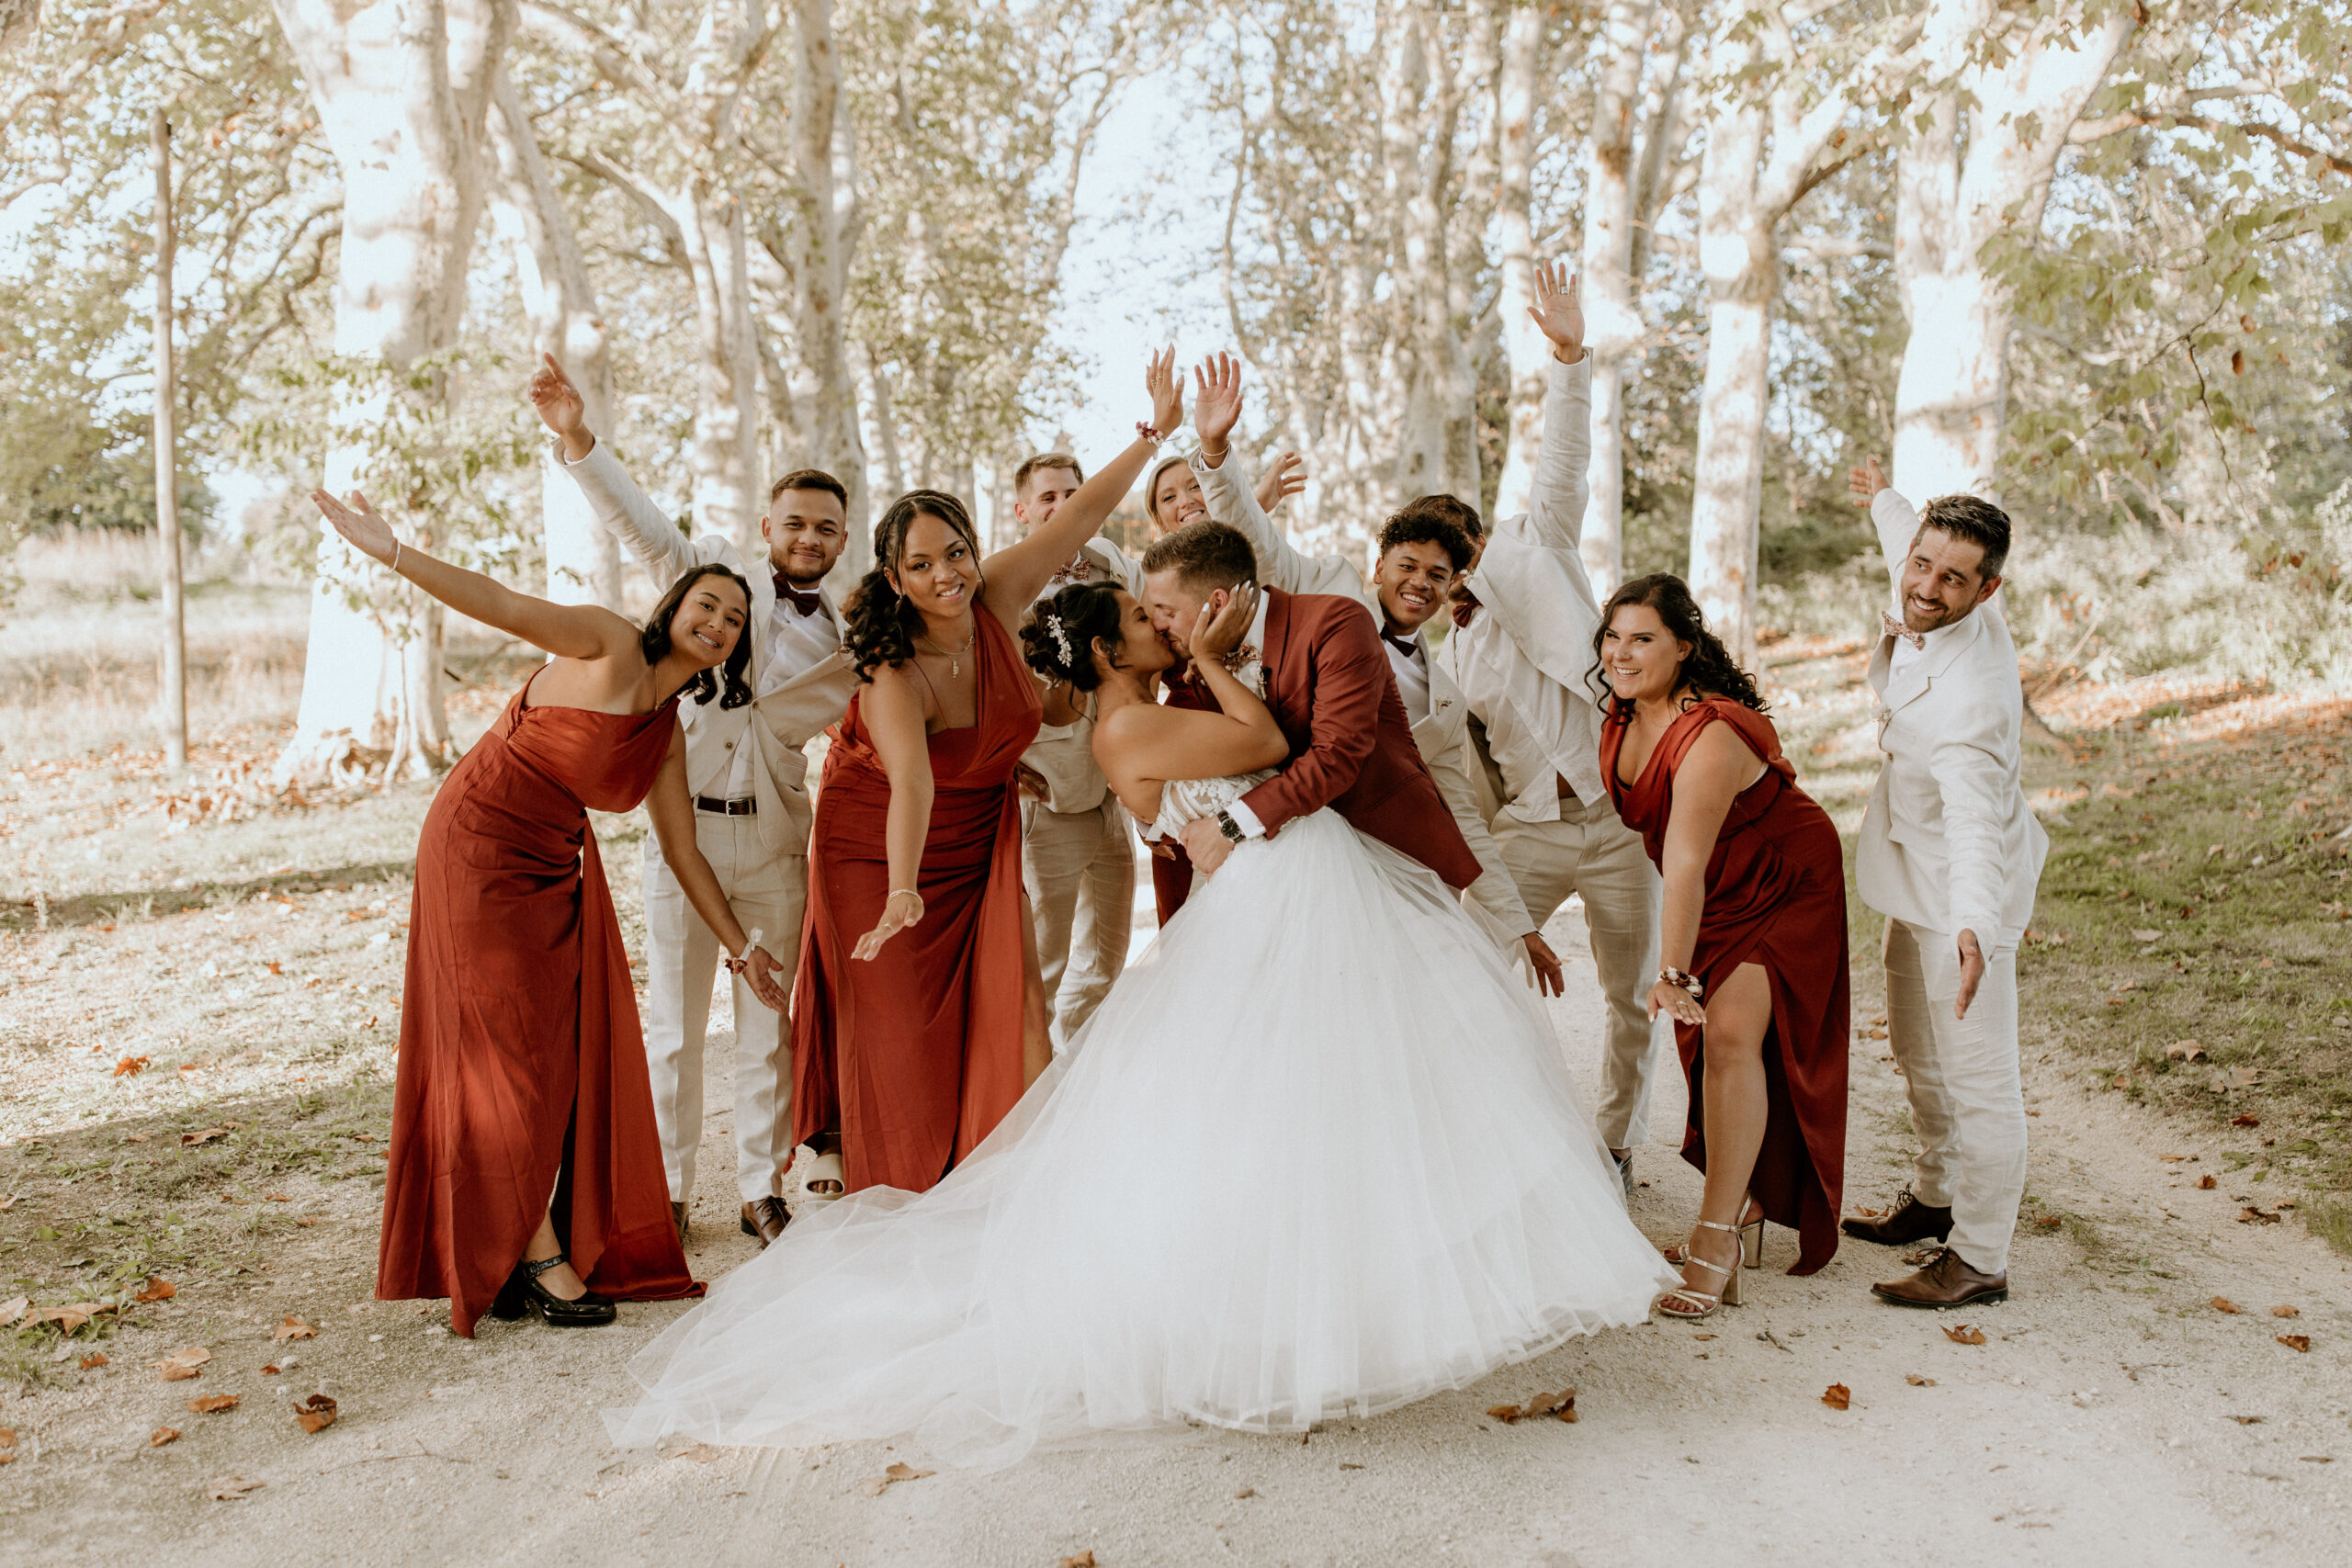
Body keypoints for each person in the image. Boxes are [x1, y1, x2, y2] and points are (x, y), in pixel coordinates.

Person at [605, 575, 1678, 1469]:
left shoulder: (1128, 710)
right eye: (1141, 620)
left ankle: (1347, 1300)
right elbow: (1259, 735)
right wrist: (1213, 660)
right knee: (1307, 1097)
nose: (1158, 626)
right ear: (1111, 650)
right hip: (1283, 896)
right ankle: (1306, 1318)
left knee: (1309, 1100)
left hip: (1284, 884)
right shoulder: (1131, 717)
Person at [311, 491, 772, 1336]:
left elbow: (683, 852)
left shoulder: (667, 731)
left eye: (735, 618)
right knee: (509, 1059)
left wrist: (743, 950)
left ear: (735, 646)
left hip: (553, 867)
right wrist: (395, 552)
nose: (718, 620)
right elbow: (506, 604)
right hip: (479, 844)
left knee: (551, 1060)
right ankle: (537, 1255)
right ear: (674, 607)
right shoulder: (604, 639)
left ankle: (530, 1242)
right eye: (707, 602)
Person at [790, 352, 1188, 1194]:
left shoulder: (997, 597)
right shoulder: (893, 671)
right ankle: (897, 1181)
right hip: (880, 853)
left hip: (978, 842)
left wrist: (1151, 434)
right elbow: (913, 784)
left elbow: (1079, 516)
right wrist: (903, 890)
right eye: (924, 565)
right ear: (894, 579)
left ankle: (1008, 1178)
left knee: (1009, 1009)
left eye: (957, 552)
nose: (948, 575)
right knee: (899, 1026)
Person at [528, 353, 856, 1248]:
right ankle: (669, 1190)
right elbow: (645, 532)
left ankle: (761, 1186)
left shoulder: (850, 636)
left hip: (778, 851)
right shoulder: (720, 592)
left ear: (840, 539)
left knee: (768, 1026)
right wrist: (579, 442)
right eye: (794, 523)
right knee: (673, 1030)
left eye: (825, 529)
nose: (808, 539)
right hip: (684, 842)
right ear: (767, 525)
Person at [1185, 352, 1565, 992]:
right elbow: (1256, 540)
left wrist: (1518, 924)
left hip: (1380, 863)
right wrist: (1217, 451)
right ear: (1379, 563)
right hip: (1281, 835)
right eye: (1408, 565)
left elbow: (1462, 816)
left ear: (1452, 589)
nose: (1419, 583)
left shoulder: (1445, 696)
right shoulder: (1327, 585)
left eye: (1438, 576)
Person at [1421, 260, 1666, 1193]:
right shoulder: (1450, 660)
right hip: (1528, 830)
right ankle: (1493, 1129)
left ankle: (1614, 1143)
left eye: (1458, 560)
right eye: (1434, 572)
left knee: (1628, 993)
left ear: (1480, 546)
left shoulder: (1538, 549)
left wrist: (1567, 357)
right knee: (1473, 966)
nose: (1450, 581)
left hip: (1615, 821)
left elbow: (1561, 464)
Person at [1596, 573, 1850, 1315]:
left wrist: (1672, 971)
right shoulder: (1618, 715)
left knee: (1733, 1035)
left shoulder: (1707, 733)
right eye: (1613, 636)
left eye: (1643, 637)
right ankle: (1741, 1207)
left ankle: (1717, 1238)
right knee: (1718, 1047)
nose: (1622, 651)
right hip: (1721, 888)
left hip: (1786, 877)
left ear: (1684, 646)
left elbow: (1684, 859)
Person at [1839, 460, 2048, 1310]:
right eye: (1921, 563)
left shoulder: (1973, 705)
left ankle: (1980, 1258)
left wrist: (1975, 930)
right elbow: (1906, 533)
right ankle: (1935, 1193)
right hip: (1909, 872)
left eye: (1953, 578)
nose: (1926, 586)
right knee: (1917, 1048)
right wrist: (1885, 497)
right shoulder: (1922, 560)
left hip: (1968, 891)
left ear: (1988, 590)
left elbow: (1970, 826)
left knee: (1981, 1076)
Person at [1138, 519, 1484, 922]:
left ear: (1216, 603)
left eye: (1165, 611)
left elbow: (1336, 757)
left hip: (1384, 858)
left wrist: (1229, 826)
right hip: (1277, 880)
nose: (1158, 626)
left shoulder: (1335, 623)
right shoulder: (1185, 658)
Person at [1006, 452, 1143, 1052]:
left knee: (1107, 964)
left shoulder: (1109, 560)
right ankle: (1021, 1108)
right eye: (1048, 498)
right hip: (1048, 802)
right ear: (1024, 511)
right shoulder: (1009, 581)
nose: (1063, 507)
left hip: (1113, 796)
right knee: (1041, 968)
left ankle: (1077, 1087)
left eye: (1072, 493)